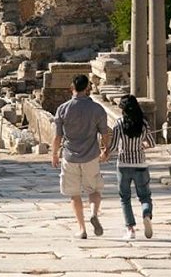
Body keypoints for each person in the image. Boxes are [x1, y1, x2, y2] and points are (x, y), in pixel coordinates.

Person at [52, 74, 109, 239]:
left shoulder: (63, 109)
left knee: (74, 194)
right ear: (88, 89)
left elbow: (57, 136)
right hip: (91, 155)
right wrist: (106, 149)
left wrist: (54, 154)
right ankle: (94, 213)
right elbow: (104, 133)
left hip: (70, 156)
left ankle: (82, 229)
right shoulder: (97, 109)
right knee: (94, 190)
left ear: (72, 88)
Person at [106, 94, 155, 240]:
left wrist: (104, 151)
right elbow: (152, 143)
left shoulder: (119, 124)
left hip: (123, 165)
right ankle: (146, 214)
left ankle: (130, 229)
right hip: (140, 163)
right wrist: (142, 145)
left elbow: (114, 146)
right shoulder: (143, 123)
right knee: (145, 196)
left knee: (125, 198)